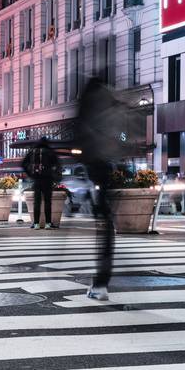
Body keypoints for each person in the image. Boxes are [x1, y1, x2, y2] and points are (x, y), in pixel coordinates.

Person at [74, 78, 128, 300]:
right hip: (109, 168)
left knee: (103, 226)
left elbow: (80, 140)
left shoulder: (87, 107)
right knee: (106, 228)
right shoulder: (113, 103)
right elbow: (123, 135)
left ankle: (99, 283)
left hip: (95, 168)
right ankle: (101, 282)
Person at [22, 137, 60, 230]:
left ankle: (36, 224)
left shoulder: (33, 151)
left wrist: (30, 174)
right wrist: (55, 177)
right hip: (47, 179)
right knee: (47, 201)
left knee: (37, 202)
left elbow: (23, 164)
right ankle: (47, 223)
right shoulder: (50, 151)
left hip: (37, 179)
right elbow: (57, 165)